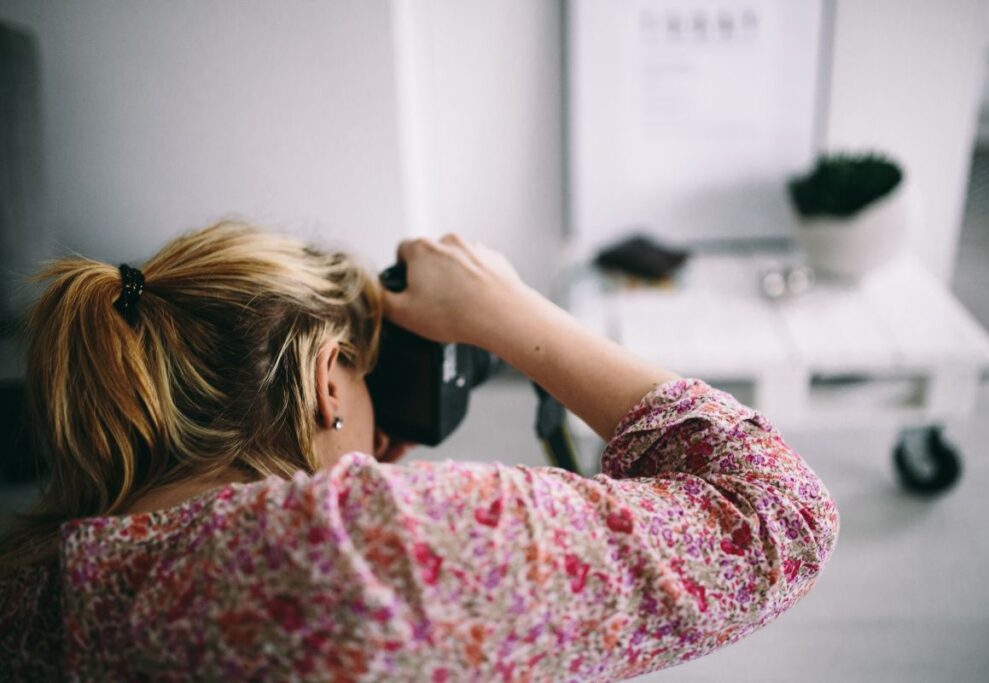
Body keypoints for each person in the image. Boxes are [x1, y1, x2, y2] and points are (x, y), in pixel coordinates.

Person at [0, 220, 839, 681]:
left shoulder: (29, 588)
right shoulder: (366, 544)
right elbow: (780, 515)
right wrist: (512, 314)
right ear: (331, 382)